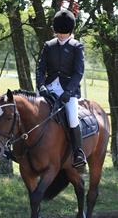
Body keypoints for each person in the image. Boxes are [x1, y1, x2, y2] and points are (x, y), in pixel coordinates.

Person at [36, 9, 87, 168]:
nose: (61, 36)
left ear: (70, 31)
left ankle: (78, 152)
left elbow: (78, 72)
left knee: (72, 118)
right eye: (58, 33)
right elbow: (40, 68)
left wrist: (68, 92)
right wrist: (41, 86)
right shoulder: (48, 45)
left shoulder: (76, 46)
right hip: (49, 88)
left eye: (63, 34)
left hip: (68, 91)